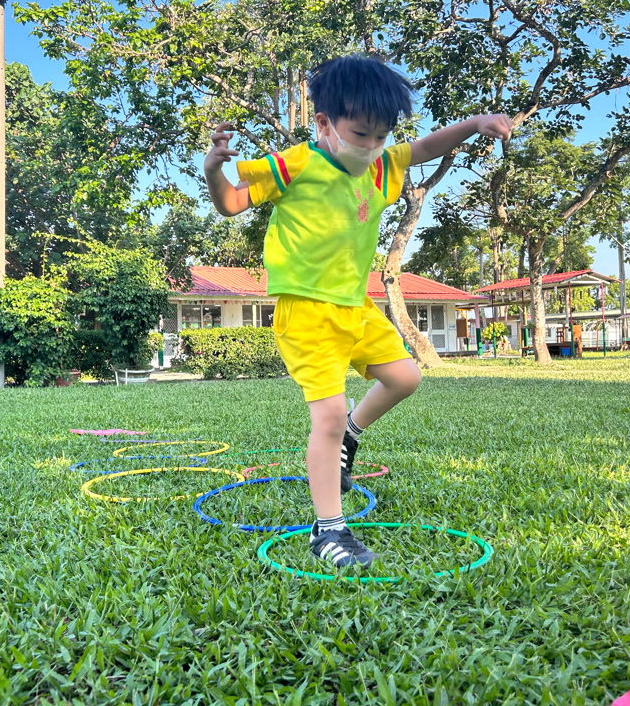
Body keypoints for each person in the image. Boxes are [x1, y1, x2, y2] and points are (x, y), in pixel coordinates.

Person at [204, 54, 511, 568]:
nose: (371, 146)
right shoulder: (295, 164)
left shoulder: (381, 167)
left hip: (356, 306)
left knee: (405, 378)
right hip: (307, 310)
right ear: (325, 123)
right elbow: (231, 203)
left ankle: (353, 432)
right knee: (324, 416)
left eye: (381, 136)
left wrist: (476, 123)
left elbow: (427, 147)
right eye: (361, 134)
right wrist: (214, 171)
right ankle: (328, 530)